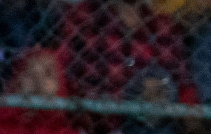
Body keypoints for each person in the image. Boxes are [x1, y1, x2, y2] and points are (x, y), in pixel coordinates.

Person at [55, 0, 196, 104]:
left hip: (158, 124)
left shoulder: (162, 27)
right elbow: (69, 82)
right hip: (100, 125)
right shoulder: (84, 19)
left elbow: (183, 83)